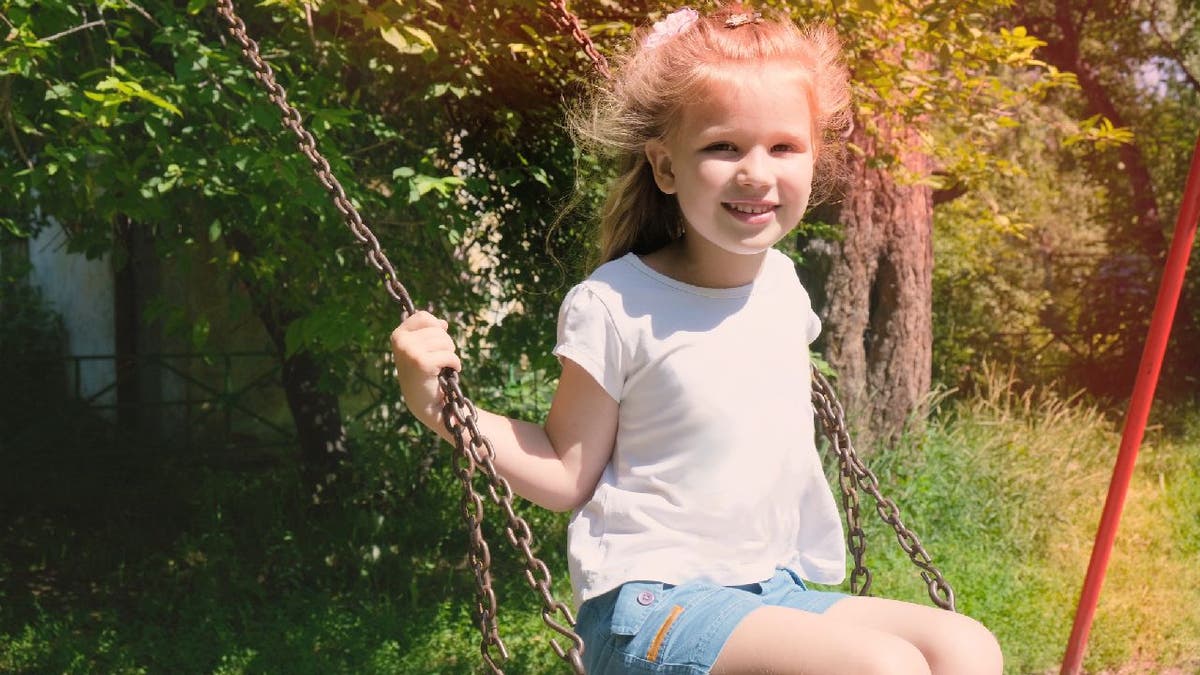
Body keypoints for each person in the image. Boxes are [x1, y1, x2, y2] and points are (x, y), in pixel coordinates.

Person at [391, 3, 1003, 673]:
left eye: (783, 146)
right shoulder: (616, 304)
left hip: (769, 588)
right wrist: (442, 409)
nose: (757, 173)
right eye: (722, 146)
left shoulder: (783, 287)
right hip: (652, 603)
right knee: (883, 667)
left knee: (966, 645)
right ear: (665, 166)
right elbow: (567, 472)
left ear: (814, 156)